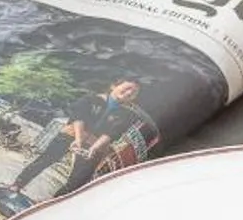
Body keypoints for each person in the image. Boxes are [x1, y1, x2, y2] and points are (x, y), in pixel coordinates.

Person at [10, 78, 155, 200]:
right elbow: (78, 118)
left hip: (94, 146)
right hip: (71, 135)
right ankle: (17, 185)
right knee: (44, 160)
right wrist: (78, 140)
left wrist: (93, 149)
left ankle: (53, 202)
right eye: (127, 88)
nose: (129, 92)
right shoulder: (91, 99)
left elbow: (111, 134)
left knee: (79, 179)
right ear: (114, 86)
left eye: (134, 92)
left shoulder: (127, 114)